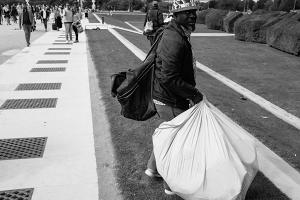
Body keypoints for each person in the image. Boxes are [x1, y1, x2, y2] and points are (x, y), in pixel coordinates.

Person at [144, 0, 203, 196]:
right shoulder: (174, 39)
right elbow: (168, 77)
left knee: (170, 136)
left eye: (193, 11)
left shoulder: (177, 32)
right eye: (187, 12)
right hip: (169, 99)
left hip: (167, 96)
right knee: (179, 144)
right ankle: (171, 186)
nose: (192, 15)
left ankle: (152, 169)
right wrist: (193, 93)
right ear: (176, 14)